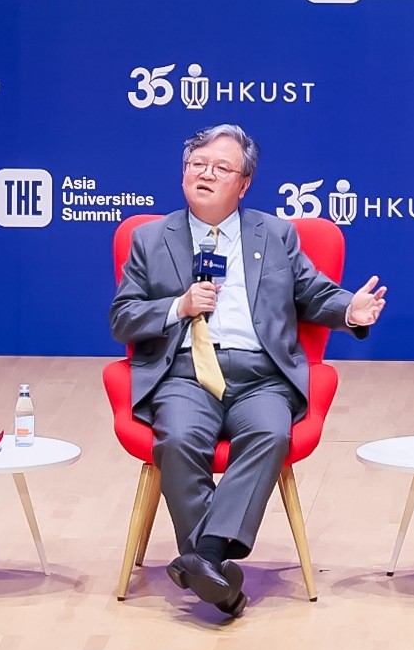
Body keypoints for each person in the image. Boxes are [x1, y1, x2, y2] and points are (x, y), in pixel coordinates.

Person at [109, 124, 386, 617]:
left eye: (221, 168)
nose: (206, 174)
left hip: (260, 374)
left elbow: (314, 294)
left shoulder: (275, 235)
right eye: (198, 165)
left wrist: (350, 311)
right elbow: (123, 317)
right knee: (176, 439)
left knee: (269, 433)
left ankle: (204, 557)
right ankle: (215, 566)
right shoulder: (150, 239)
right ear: (183, 174)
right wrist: (178, 305)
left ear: (245, 183)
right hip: (184, 372)